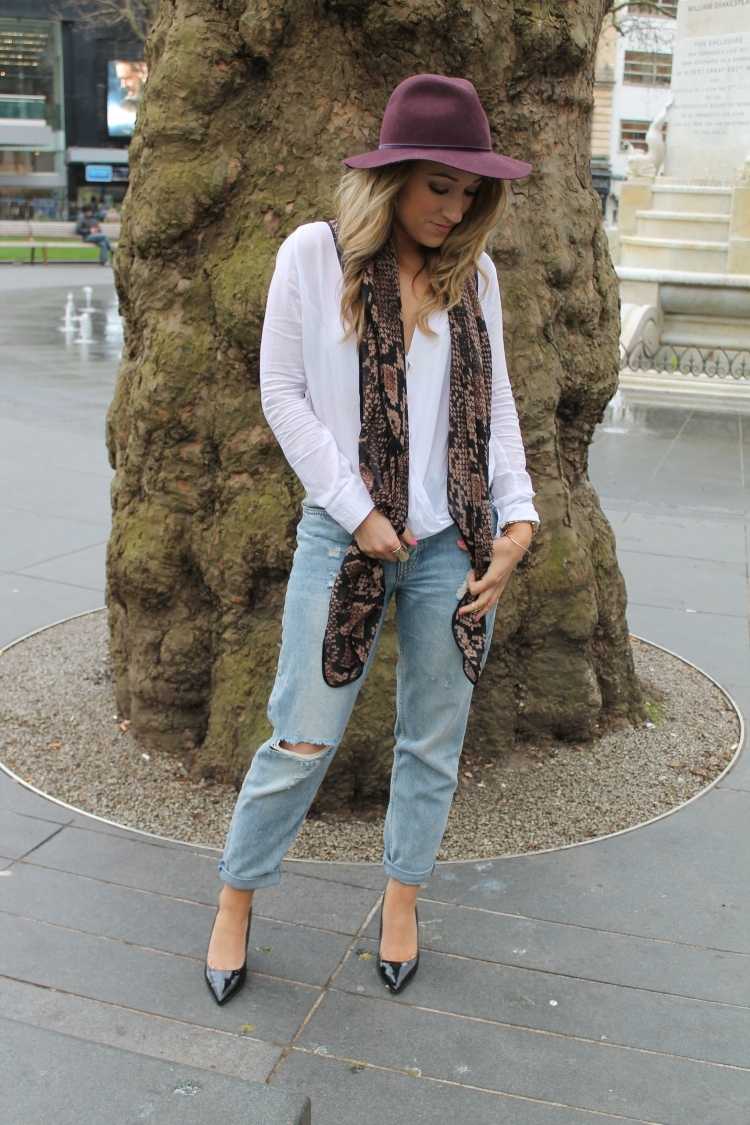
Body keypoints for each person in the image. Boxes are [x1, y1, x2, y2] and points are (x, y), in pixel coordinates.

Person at [205, 73, 541, 1005]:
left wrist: (518, 524)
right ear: (391, 176)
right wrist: (357, 509)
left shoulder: (476, 277)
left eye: (469, 192)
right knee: (302, 736)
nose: (454, 207)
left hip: (454, 544)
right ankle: (236, 901)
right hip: (343, 534)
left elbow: (497, 413)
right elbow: (285, 396)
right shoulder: (313, 257)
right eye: (440, 185)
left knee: (433, 740)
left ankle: (401, 900)